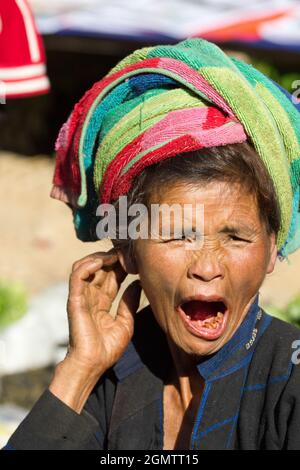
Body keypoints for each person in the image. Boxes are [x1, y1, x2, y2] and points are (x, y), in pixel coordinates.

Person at [4, 38, 300, 450]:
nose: (208, 267)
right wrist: (79, 370)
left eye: (235, 236)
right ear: (127, 250)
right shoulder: (110, 375)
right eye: (178, 235)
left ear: (271, 248)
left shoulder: (289, 382)